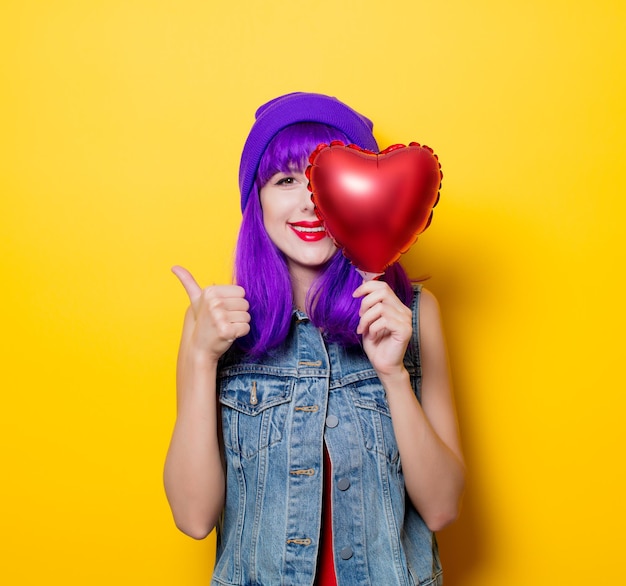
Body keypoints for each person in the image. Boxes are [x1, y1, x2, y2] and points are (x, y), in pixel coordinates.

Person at [164, 92, 465, 586]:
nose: (309, 201)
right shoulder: (212, 326)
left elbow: (442, 508)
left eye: (323, 179)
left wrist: (392, 375)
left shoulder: (414, 314)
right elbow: (193, 519)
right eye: (286, 180)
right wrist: (201, 360)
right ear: (255, 201)